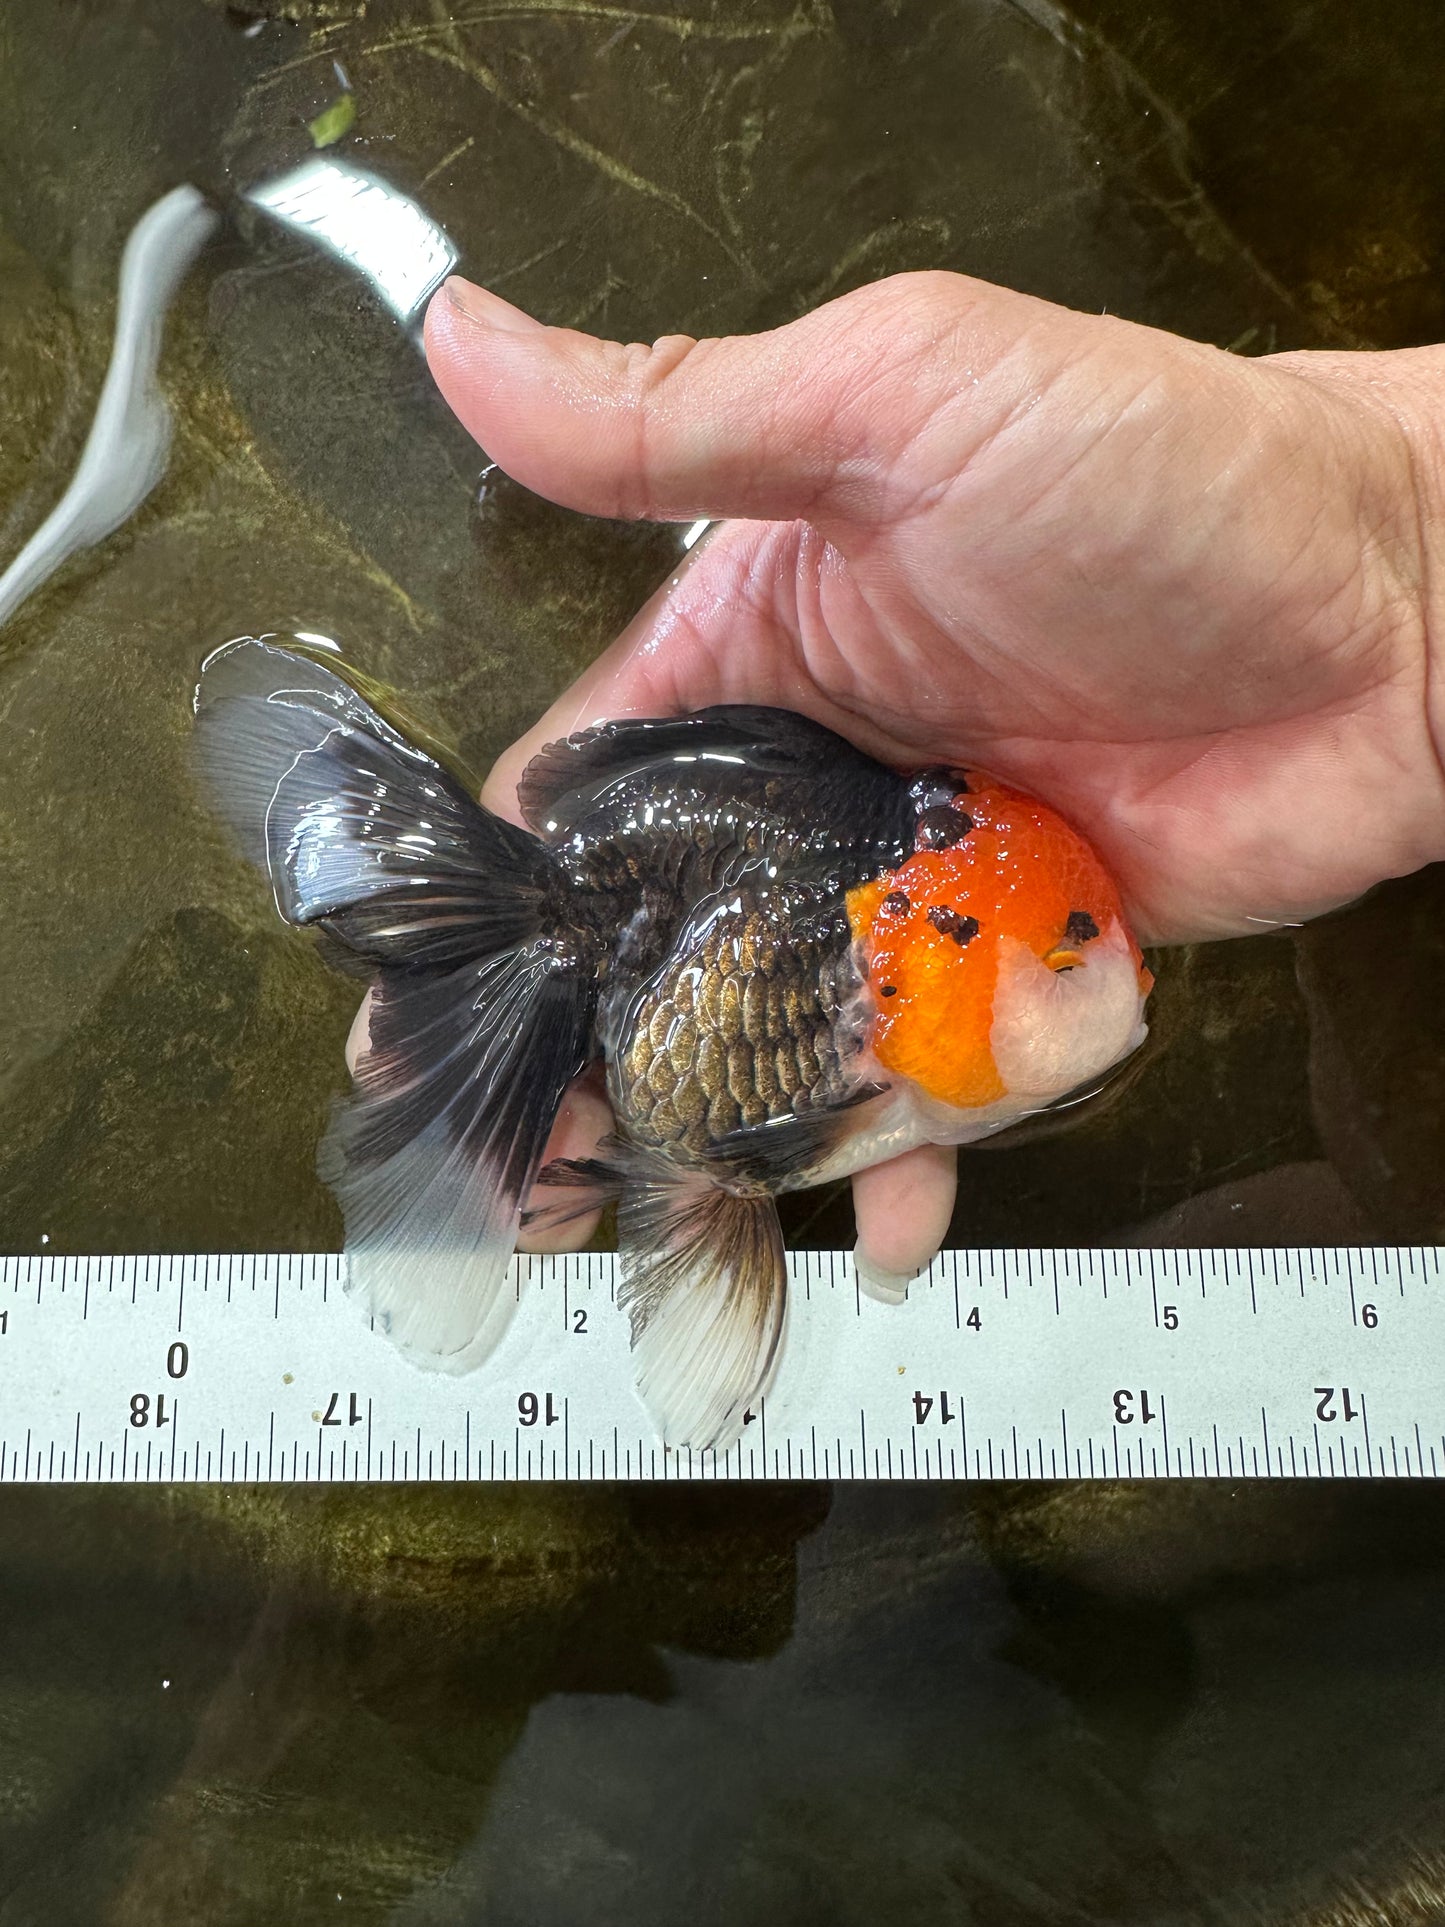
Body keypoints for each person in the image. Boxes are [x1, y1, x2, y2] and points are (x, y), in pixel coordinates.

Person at [396, 268, 1445, 1286]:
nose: (1119, 980)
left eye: (1071, 954)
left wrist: (1399, 523)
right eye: (1066, 959)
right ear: (894, 983)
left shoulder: (911, 967)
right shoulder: (865, 970)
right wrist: (1392, 523)